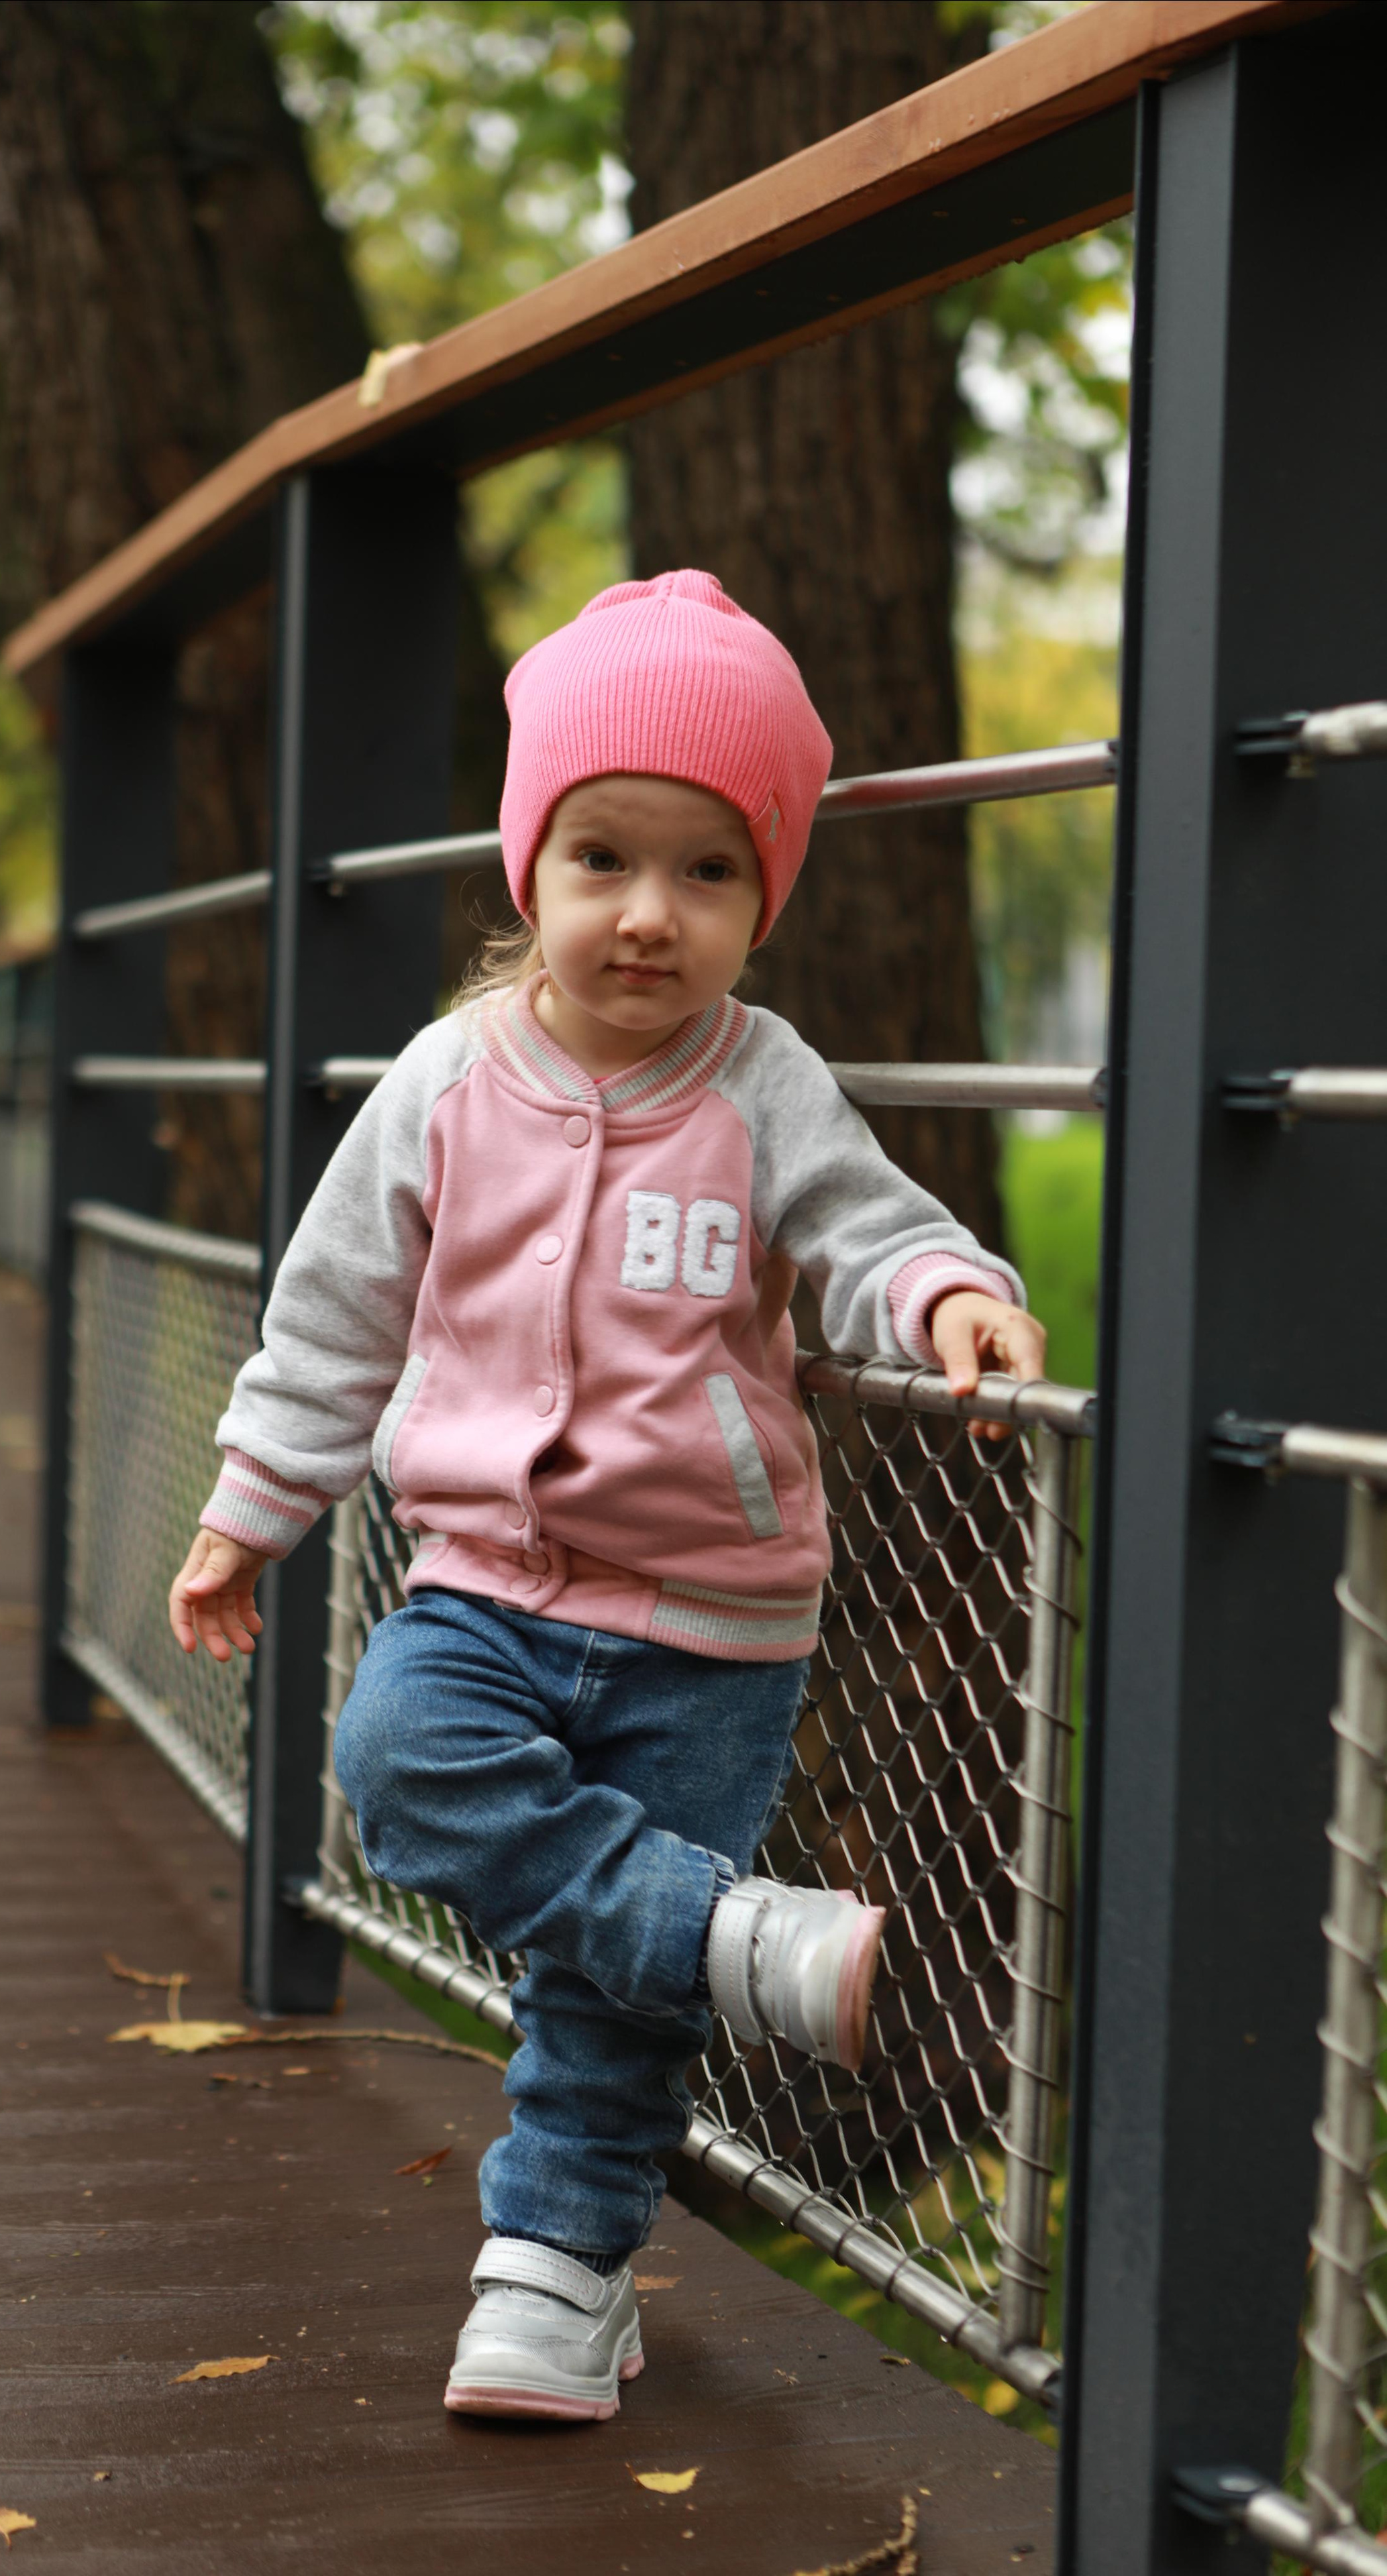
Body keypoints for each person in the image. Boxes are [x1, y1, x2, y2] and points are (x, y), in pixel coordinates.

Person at [168, 570, 1046, 2424]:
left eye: (709, 873)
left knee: (602, 2001)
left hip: (714, 1623)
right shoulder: (443, 1088)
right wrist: (255, 1502)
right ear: (529, 868)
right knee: (395, 1756)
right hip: (484, 1588)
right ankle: (735, 1942)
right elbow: (334, 1317)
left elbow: (874, 1235)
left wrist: (955, 1298)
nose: (650, 914)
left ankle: (560, 2277)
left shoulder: (764, 1088)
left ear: (761, 897)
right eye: (603, 859)